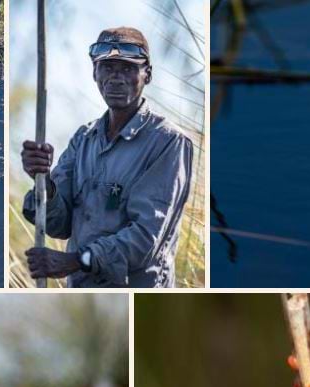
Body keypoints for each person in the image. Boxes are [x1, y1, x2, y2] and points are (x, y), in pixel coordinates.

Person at [21, 27, 194, 287]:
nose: (116, 78)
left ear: (147, 75)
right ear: (95, 73)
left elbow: (146, 238)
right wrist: (42, 179)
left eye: (127, 68)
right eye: (108, 67)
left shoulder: (169, 142)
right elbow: (57, 224)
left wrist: (77, 261)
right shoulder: (83, 139)